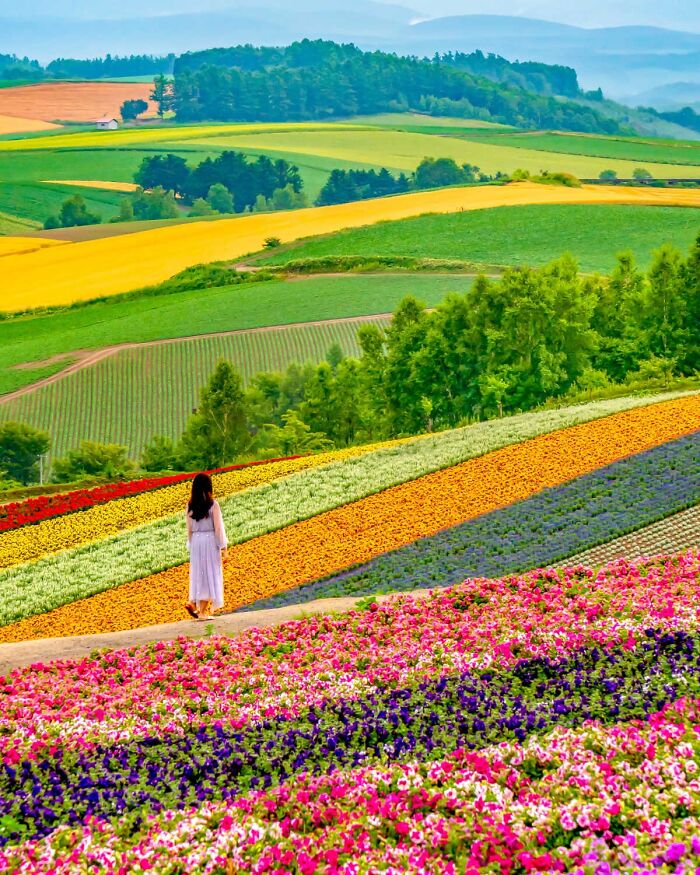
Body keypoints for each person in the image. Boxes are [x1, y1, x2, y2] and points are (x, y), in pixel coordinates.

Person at [184, 472, 228, 620]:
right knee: (210, 574)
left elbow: (189, 529)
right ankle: (202, 612)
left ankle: (193, 602)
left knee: (198, 574)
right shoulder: (213, 505)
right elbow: (218, 528)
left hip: (196, 541)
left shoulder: (190, 505)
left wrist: (191, 544)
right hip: (209, 540)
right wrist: (224, 548)